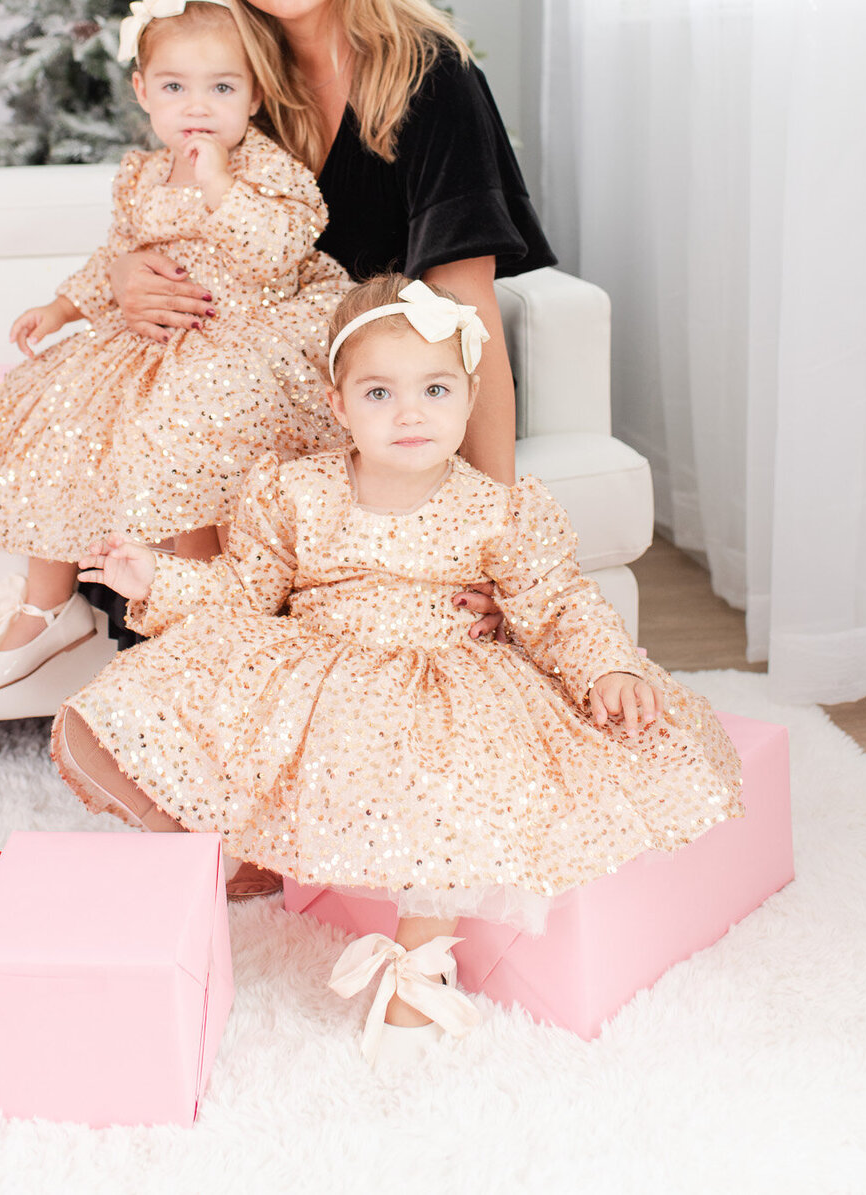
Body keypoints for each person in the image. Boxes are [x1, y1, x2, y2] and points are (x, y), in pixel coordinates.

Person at [52, 275, 744, 1067]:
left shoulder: (497, 510)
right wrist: (157, 580)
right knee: (147, 693)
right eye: (379, 392)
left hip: (442, 677)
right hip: (318, 662)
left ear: (468, 397)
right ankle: (225, 842)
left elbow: (559, 603)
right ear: (338, 405)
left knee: (451, 776)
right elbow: (242, 592)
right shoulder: (296, 491)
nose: (410, 412)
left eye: (435, 389)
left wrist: (608, 669)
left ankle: (419, 960)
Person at [96, 0, 557, 647]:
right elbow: (167, 221)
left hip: (370, 431)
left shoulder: (432, 79)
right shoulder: (230, 82)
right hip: (244, 425)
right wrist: (129, 275)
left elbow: (468, 320)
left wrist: (494, 542)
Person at [0, 0, 350, 696]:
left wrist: (221, 186)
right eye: (177, 88)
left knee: (195, 423)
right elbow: (115, 255)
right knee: (63, 415)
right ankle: (47, 603)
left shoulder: (267, 168)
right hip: (150, 338)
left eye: (221, 88)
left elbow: (280, 249)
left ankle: (194, 613)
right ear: (143, 91)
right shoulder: (141, 176)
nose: (198, 108)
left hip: (246, 335)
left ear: (253, 97)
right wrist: (63, 308)